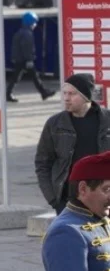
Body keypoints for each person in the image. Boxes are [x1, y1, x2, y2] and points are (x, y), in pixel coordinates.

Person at [35, 74, 110, 212]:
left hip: (104, 198)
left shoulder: (106, 121)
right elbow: (42, 163)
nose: (66, 98)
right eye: (65, 93)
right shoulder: (55, 124)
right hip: (68, 201)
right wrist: (53, 199)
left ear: (86, 96)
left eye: (72, 94)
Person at [6, 12, 56, 102]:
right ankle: (43, 92)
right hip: (24, 59)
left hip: (19, 59)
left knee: (21, 77)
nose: (35, 25)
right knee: (32, 77)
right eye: (34, 22)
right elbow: (27, 48)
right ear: (31, 23)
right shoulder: (27, 34)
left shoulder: (20, 32)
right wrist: (29, 60)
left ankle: (43, 92)